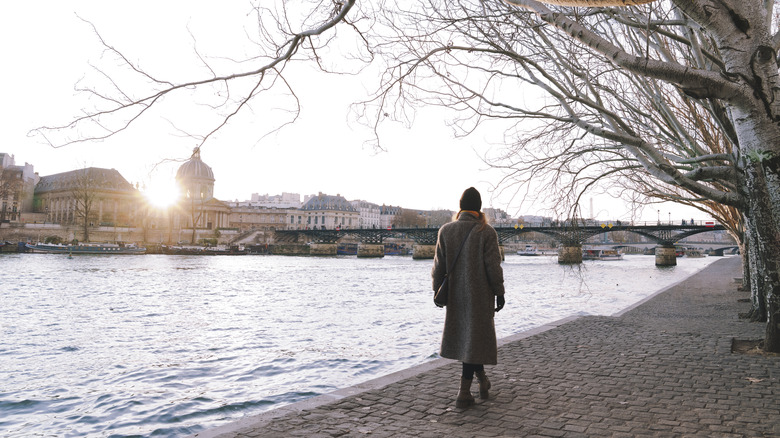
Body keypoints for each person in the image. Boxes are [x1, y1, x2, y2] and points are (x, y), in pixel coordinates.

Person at [431, 187, 506, 408]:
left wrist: (437, 291)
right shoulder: (486, 231)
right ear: (479, 207)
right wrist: (499, 292)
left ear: (461, 206)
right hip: (480, 295)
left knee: (469, 340)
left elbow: (438, 267)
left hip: (455, 296)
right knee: (475, 339)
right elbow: (494, 266)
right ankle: (464, 392)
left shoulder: (446, 230)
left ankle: (483, 381)